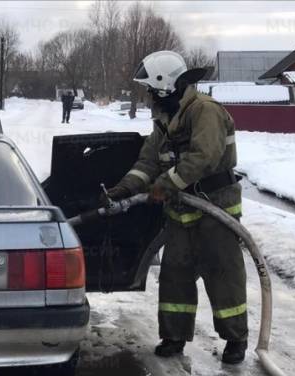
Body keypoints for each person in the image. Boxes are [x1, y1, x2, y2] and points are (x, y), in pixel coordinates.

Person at [103, 51, 247, 363]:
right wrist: (123, 189)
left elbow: (203, 157)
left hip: (216, 212)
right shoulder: (165, 123)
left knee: (224, 277)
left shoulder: (205, 111)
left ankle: (236, 340)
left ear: (165, 86)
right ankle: (174, 337)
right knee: (175, 276)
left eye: (151, 91)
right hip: (182, 214)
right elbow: (147, 163)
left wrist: (165, 185)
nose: (149, 97)